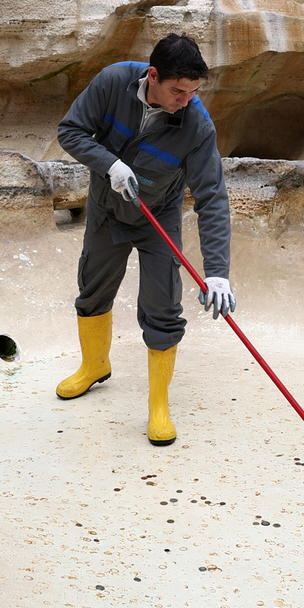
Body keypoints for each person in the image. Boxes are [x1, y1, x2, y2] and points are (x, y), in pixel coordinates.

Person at [54, 34, 234, 447]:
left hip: (158, 219)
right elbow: (71, 130)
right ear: (152, 76)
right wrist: (109, 162)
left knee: (163, 306)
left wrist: (218, 274)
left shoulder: (197, 125)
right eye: (178, 91)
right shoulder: (112, 82)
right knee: (92, 289)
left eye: (193, 92)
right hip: (107, 207)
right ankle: (94, 366)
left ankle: (158, 404)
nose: (186, 100)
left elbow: (211, 197)